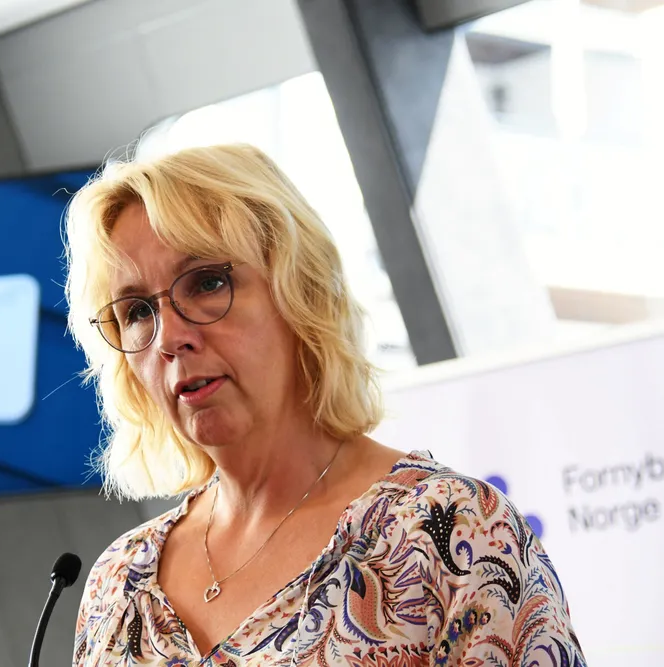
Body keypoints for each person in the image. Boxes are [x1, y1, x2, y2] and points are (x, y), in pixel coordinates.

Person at [63, 143, 585, 666]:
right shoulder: (116, 585)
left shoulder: (451, 529)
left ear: (299, 291)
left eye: (208, 282)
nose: (169, 337)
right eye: (136, 311)